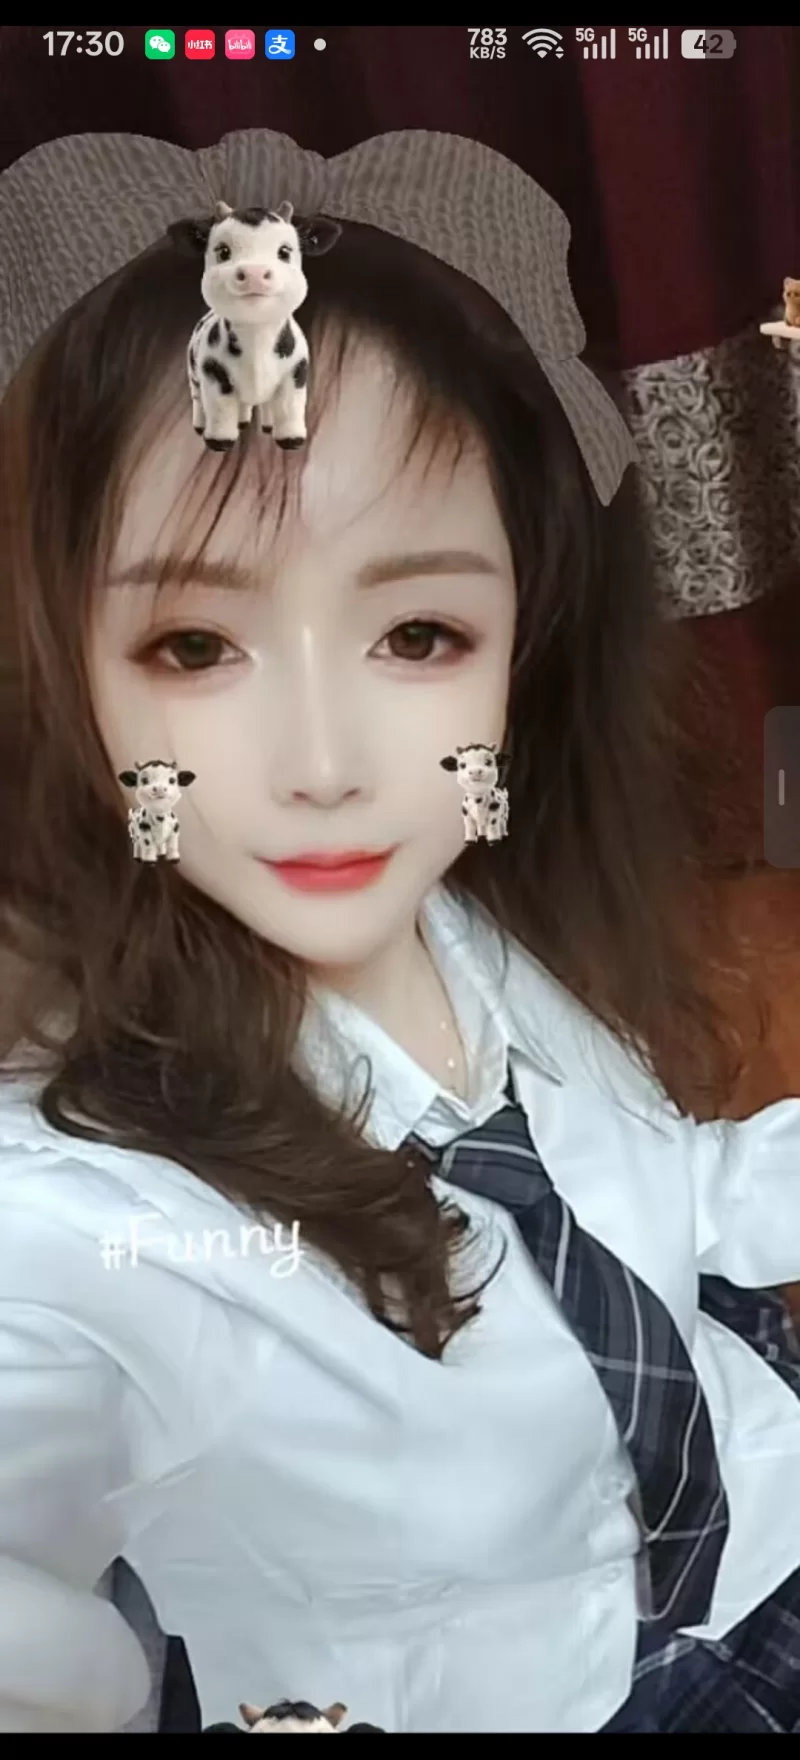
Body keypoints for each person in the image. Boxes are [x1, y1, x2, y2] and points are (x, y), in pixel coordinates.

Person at [0, 127, 799, 1737]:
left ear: (526, 639)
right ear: (58, 671)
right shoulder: (79, 1210)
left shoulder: (479, 932)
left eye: (420, 634)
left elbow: (650, 1193)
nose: (322, 764)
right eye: (194, 645)